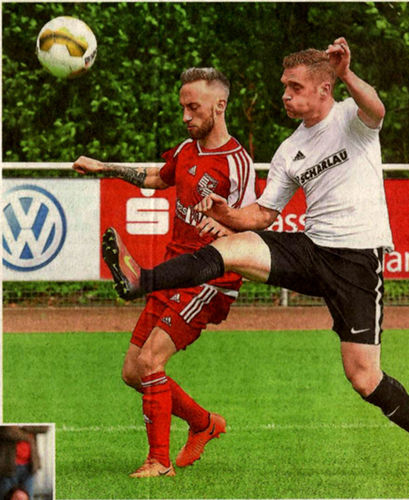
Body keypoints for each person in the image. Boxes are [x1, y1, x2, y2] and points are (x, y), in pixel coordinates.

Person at [101, 38, 409, 475]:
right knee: (230, 247)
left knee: (364, 378)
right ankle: (143, 279)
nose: (285, 96)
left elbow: (377, 108)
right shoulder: (291, 149)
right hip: (312, 249)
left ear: (324, 89)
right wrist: (228, 214)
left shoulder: (352, 117)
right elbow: (265, 214)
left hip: (356, 263)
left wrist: (346, 72)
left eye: (294, 87)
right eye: (284, 87)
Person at [73, 67, 257, 478]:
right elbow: (159, 176)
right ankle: (204, 423)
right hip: (174, 272)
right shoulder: (187, 149)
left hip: (211, 280)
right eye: (183, 108)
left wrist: (228, 227)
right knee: (132, 371)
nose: (186, 116)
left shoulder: (237, 162)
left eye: (194, 107)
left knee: (151, 361)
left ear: (219, 105)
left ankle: (159, 462)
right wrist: (105, 167)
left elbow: (253, 221)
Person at [0, 425, 48, 499]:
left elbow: (44, 427)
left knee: (28, 497)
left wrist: (22, 426)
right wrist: (28, 436)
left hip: (29, 466)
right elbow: (6, 430)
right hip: (8, 466)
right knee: (6, 496)